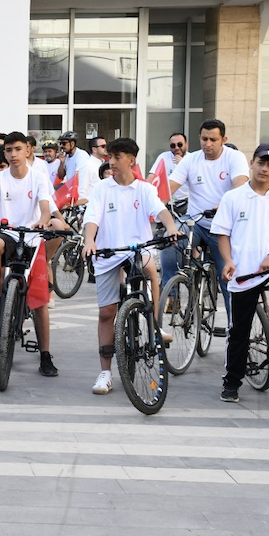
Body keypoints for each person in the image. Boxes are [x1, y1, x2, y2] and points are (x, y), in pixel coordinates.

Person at [81, 138, 179, 395]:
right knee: (106, 313)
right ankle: (105, 372)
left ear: (131, 160)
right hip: (109, 253)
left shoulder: (143, 189)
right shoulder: (103, 189)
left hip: (138, 249)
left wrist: (170, 227)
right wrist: (90, 240)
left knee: (150, 270)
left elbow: (161, 211)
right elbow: (92, 218)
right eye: (109, 157)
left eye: (116, 157)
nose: (111, 162)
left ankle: (155, 324)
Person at [212, 143, 269, 403]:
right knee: (239, 330)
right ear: (251, 163)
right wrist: (228, 261)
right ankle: (232, 381)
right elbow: (223, 235)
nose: (264, 169)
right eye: (261, 163)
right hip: (244, 271)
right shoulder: (233, 197)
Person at [0, 131, 60, 377]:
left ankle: (45, 355)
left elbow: (45, 206)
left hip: (32, 237)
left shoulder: (39, 177)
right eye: (9, 150)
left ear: (28, 151)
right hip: (9, 234)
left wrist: (42, 222)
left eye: (18, 149)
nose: (13, 154)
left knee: (39, 302)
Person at [161, 119, 250, 323]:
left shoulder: (234, 158)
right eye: (204, 139)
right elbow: (169, 187)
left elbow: (240, 186)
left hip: (224, 229)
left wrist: (226, 205)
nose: (207, 144)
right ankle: (172, 295)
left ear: (224, 140)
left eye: (213, 139)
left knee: (229, 282)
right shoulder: (191, 160)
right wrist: (158, 203)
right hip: (196, 222)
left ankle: (234, 330)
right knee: (169, 241)